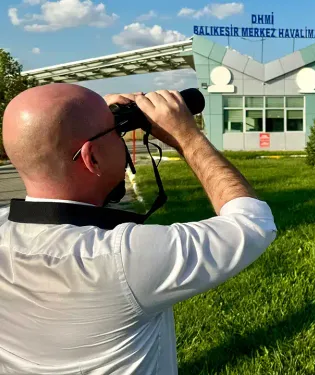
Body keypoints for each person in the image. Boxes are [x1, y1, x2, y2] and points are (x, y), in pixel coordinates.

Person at [0, 83, 277, 374]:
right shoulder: (119, 259)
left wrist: (88, 117)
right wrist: (186, 136)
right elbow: (252, 222)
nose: (121, 139)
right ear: (91, 158)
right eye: (116, 133)